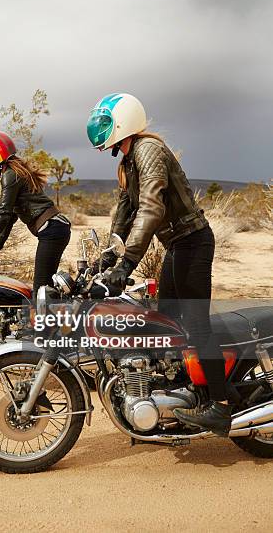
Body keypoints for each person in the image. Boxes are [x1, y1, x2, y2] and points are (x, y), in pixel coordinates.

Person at [86, 93, 232, 437]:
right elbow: (125, 212)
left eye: (105, 121)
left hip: (193, 242)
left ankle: (221, 406)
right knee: (165, 317)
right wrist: (109, 255)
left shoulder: (147, 150)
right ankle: (179, 390)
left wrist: (127, 265)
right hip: (176, 246)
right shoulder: (127, 161)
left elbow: (150, 209)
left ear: (124, 121)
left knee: (195, 324)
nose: (99, 128)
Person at [0, 130, 71, 295]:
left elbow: (3, 214)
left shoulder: (10, 174)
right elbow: (9, 219)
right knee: (48, 290)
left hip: (52, 231)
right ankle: (57, 316)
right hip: (55, 228)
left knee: (41, 292)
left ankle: (52, 318)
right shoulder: (14, 172)